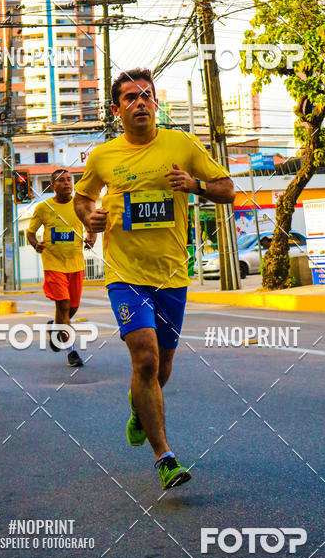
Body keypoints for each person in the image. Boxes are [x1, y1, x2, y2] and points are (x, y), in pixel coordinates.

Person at [74, 68, 235, 490]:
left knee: (161, 369)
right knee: (143, 359)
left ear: (156, 104)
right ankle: (165, 457)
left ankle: (138, 407)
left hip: (172, 276)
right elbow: (81, 197)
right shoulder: (103, 156)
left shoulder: (181, 144)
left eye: (147, 95)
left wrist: (194, 184)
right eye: (130, 97)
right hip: (125, 275)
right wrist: (88, 215)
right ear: (117, 109)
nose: (140, 102)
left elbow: (228, 188)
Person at [27, 169, 95, 368]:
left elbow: (91, 227)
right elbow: (30, 233)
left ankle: (55, 328)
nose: (67, 183)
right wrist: (35, 244)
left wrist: (92, 238)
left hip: (76, 264)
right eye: (61, 181)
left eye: (69, 180)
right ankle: (71, 351)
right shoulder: (43, 208)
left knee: (72, 308)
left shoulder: (80, 205)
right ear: (52, 186)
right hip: (53, 264)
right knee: (63, 306)